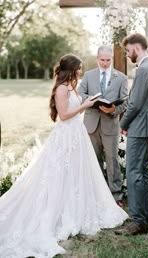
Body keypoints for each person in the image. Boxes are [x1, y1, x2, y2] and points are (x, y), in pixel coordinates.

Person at [0, 54, 128, 258]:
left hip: (77, 134)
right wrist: (85, 106)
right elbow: (64, 115)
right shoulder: (61, 88)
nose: (80, 71)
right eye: (78, 68)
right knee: (59, 173)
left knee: (77, 173)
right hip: (66, 135)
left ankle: (77, 209)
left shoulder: (71, 86)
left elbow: (74, 108)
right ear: (71, 69)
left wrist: (89, 101)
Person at [116, 33, 148, 236]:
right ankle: (146, 215)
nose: (127, 54)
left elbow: (135, 103)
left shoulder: (144, 68)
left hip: (139, 127)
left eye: (128, 50)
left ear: (136, 47)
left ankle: (138, 221)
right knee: (142, 172)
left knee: (134, 173)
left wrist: (122, 123)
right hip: (144, 126)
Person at [79, 46, 128, 207]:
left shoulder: (121, 77)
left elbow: (126, 101)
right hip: (91, 124)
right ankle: (96, 193)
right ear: (97, 58)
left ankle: (116, 195)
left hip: (110, 125)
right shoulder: (88, 75)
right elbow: (80, 94)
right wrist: (92, 101)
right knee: (94, 160)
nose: (105, 63)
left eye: (108, 60)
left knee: (112, 160)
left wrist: (114, 109)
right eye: (102, 60)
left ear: (111, 59)